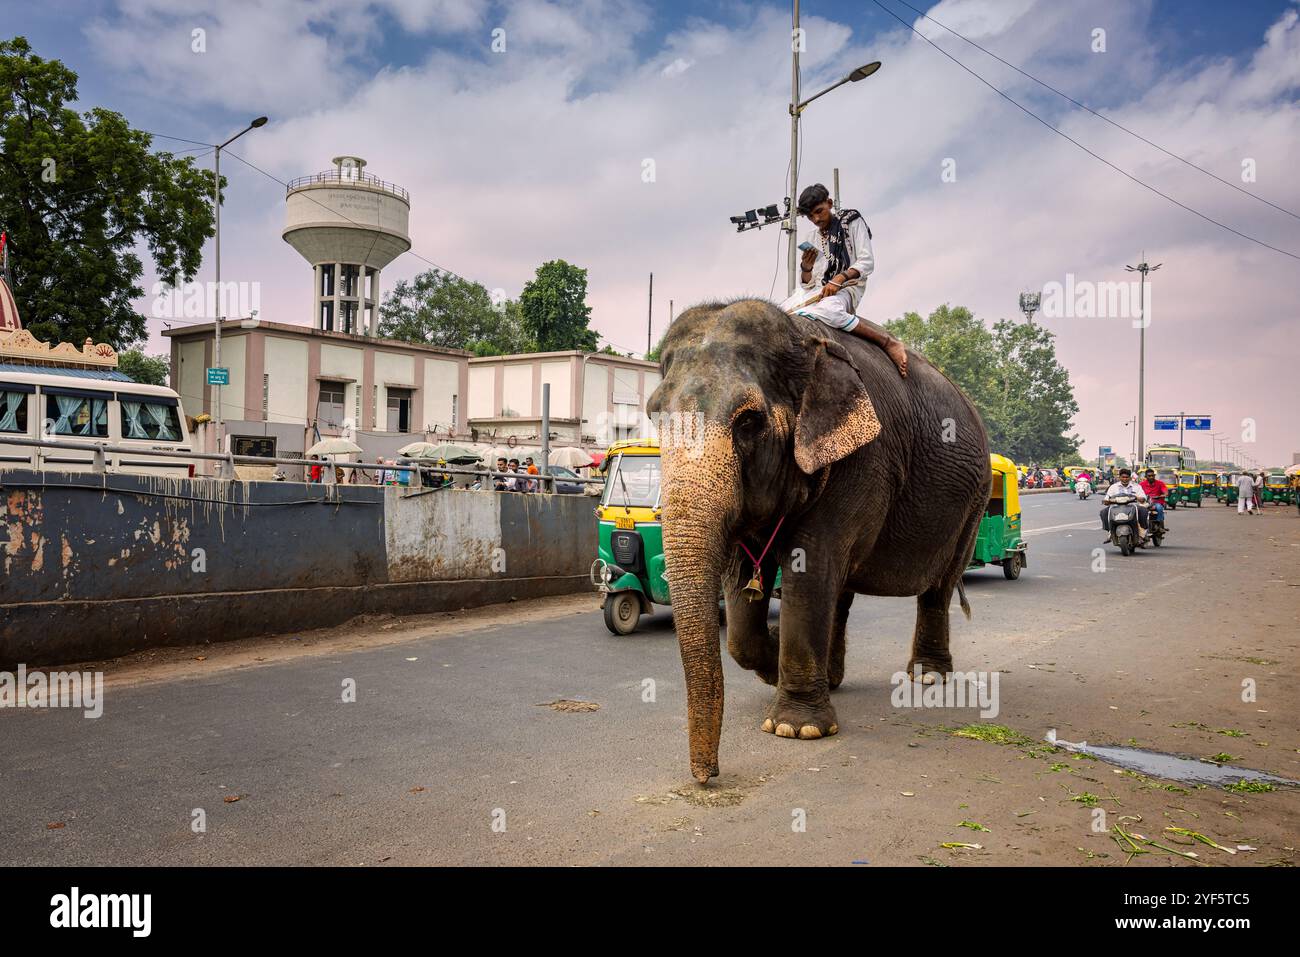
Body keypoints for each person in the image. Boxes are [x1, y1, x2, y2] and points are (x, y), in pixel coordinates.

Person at [779, 183, 908, 377]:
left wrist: (839, 278)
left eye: (819, 211)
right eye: (810, 216)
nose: (816, 219)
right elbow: (809, 284)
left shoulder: (851, 221)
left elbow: (866, 262)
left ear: (829, 203)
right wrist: (806, 268)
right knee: (780, 312)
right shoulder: (811, 237)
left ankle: (887, 342)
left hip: (848, 288)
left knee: (830, 311)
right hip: (817, 292)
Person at [1101, 467, 1149, 541]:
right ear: (1119, 477)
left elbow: (1143, 497)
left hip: (1133, 506)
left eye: (1127, 477)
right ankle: (1110, 531)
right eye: (1123, 477)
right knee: (1104, 512)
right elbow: (1107, 497)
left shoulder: (1136, 486)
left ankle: (1142, 533)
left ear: (1130, 478)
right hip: (1117, 506)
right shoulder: (1113, 487)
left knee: (1143, 511)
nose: (1125, 479)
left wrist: (1140, 498)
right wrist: (1106, 501)